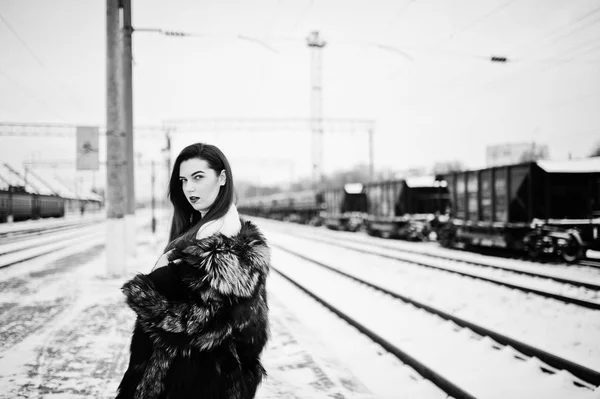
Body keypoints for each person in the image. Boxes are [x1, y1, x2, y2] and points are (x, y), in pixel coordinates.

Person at [115, 143, 270, 399]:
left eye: (199, 177)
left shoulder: (226, 248)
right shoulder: (201, 233)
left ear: (222, 178)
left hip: (195, 386)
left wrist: (145, 297)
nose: (189, 188)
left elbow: (204, 325)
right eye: (184, 180)